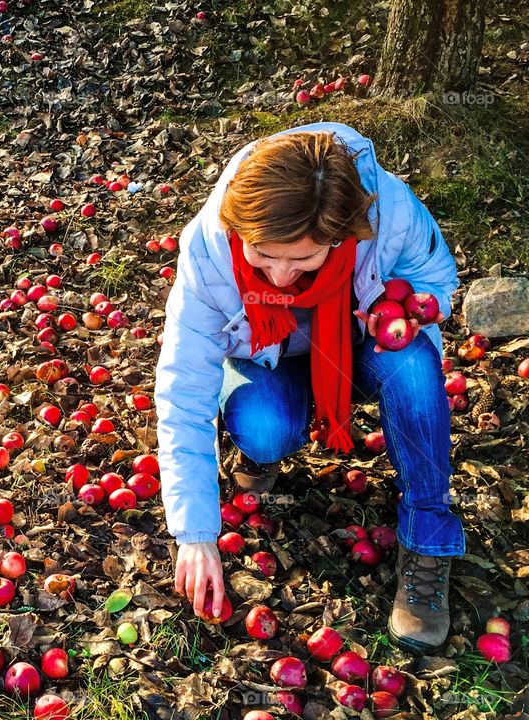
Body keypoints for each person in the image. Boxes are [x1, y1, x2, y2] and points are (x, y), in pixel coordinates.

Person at [154, 121, 465, 654]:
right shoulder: (208, 249)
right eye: (262, 255)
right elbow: (183, 389)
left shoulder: (389, 212)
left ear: (343, 234)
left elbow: (437, 277)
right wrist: (195, 533)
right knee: (264, 428)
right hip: (266, 357)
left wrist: (409, 307)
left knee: (413, 365)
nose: (278, 277)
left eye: (301, 259)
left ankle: (428, 538)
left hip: (351, 346)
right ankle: (266, 444)